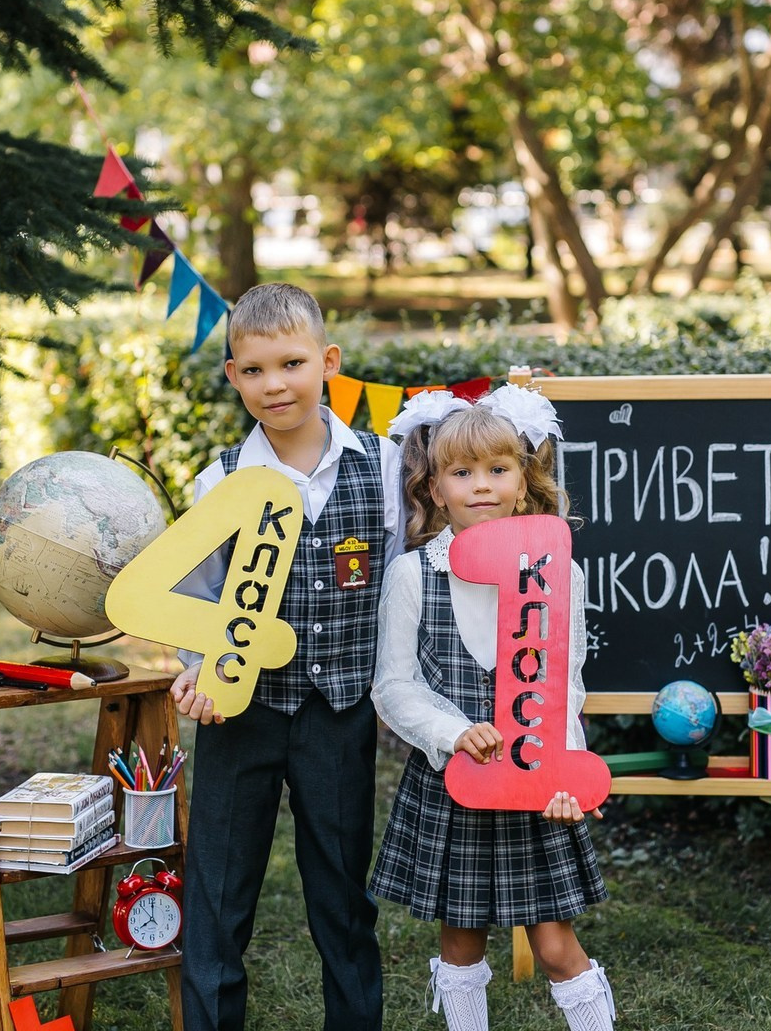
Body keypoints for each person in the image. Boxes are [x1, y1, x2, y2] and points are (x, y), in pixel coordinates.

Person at [171, 282, 404, 1031]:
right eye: (256, 369)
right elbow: (191, 591)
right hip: (238, 712)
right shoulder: (220, 481)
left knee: (341, 895)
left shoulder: (385, 467)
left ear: (327, 361)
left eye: (293, 363)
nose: (276, 384)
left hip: (338, 713)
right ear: (234, 376)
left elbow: (400, 583)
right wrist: (198, 664)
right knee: (217, 895)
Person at [370, 385, 616, 1031]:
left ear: (523, 480)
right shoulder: (414, 576)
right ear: (435, 487)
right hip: (455, 784)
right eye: (462, 472)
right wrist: (453, 733)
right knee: (460, 944)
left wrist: (564, 772)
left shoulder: (560, 572)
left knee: (557, 947)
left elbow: (567, 684)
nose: (481, 486)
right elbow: (393, 686)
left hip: (536, 782)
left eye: (498, 470)